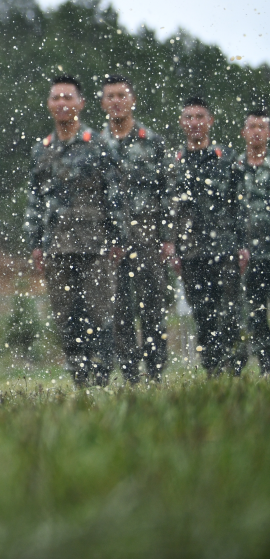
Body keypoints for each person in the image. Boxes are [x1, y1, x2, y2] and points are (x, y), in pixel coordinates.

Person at [25, 75, 127, 387]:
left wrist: (117, 237)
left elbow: (115, 195)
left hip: (95, 244)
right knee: (65, 315)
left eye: (68, 98)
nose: (62, 104)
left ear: (80, 104)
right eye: (56, 98)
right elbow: (35, 200)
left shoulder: (98, 145)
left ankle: (101, 376)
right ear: (48, 105)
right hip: (57, 246)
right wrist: (35, 243)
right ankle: (79, 377)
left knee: (99, 314)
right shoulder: (41, 150)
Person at [166, 97, 249, 376]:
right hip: (191, 254)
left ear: (210, 121)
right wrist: (174, 248)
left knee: (230, 314)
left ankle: (236, 370)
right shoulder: (174, 163)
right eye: (188, 117)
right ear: (181, 123)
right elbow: (172, 210)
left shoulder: (226, 158)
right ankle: (213, 370)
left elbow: (240, 205)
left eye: (200, 117)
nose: (194, 123)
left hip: (224, 249)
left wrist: (243, 245)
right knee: (203, 315)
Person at [99, 75, 171, 383]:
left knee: (152, 306)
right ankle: (129, 373)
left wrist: (167, 238)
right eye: (110, 96)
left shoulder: (151, 141)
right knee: (118, 310)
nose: (116, 101)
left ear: (133, 100)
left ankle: (155, 371)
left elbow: (167, 192)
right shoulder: (95, 144)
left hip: (147, 235)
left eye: (121, 95)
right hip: (108, 238)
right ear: (103, 103)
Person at [236, 107, 270, 373]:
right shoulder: (234, 168)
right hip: (248, 253)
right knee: (254, 312)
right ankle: (264, 365)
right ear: (244, 132)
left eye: (262, 126)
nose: (257, 132)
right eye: (252, 127)